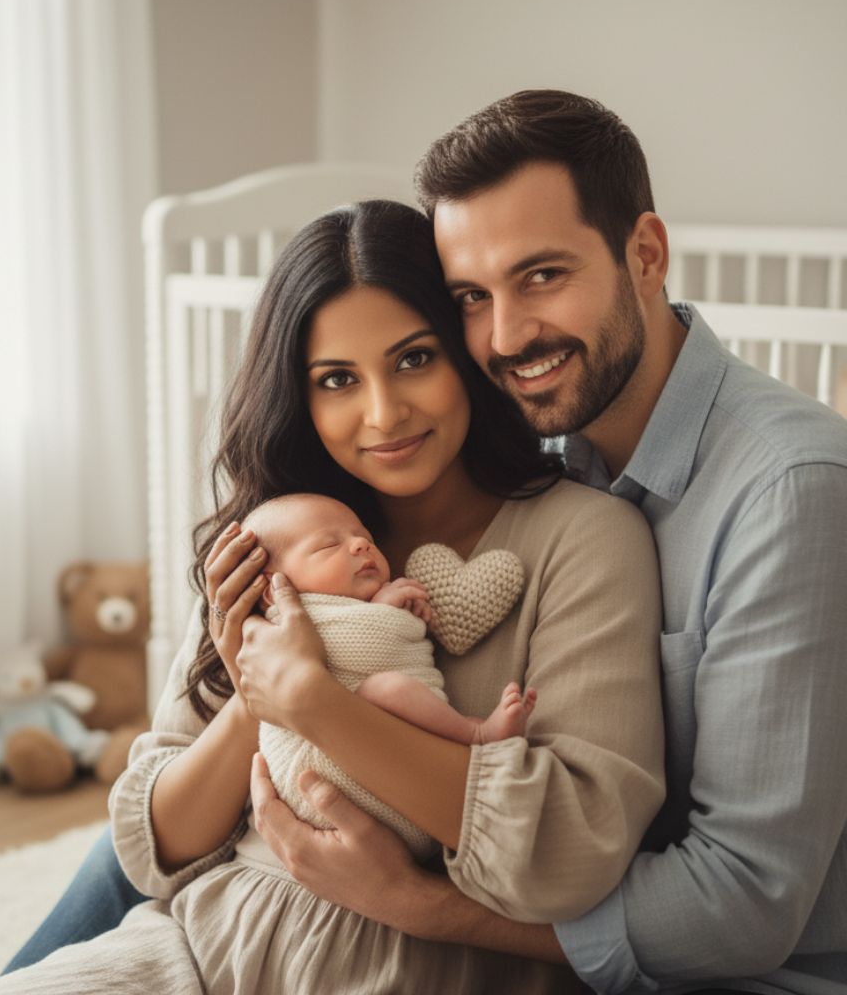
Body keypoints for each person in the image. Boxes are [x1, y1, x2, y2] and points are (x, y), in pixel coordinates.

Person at [0, 198, 665, 994]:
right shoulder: (276, 540)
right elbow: (155, 846)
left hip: (420, 968)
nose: (383, 412)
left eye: (414, 359)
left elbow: (570, 853)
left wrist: (315, 700)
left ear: (467, 355)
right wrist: (254, 697)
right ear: (299, 397)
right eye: (337, 379)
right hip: (206, 943)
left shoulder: (584, 538)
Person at [241, 91, 847, 994]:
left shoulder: (790, 494)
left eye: (542, 276)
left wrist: (419, 903)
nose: (507, 336)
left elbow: (744, 907)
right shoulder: (543, 438)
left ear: (645, 254)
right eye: (472, 299)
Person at [246, 491, 537, 857]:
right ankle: (476, 733)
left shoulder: (353, 606)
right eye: (328, 546)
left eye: (365, 538)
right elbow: (351, 651)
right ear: (275, 588)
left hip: (399, 787)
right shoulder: (285, 624)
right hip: (316, 778)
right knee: (385, 688)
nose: (359, 546)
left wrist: (389, 612)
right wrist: (387, 616)